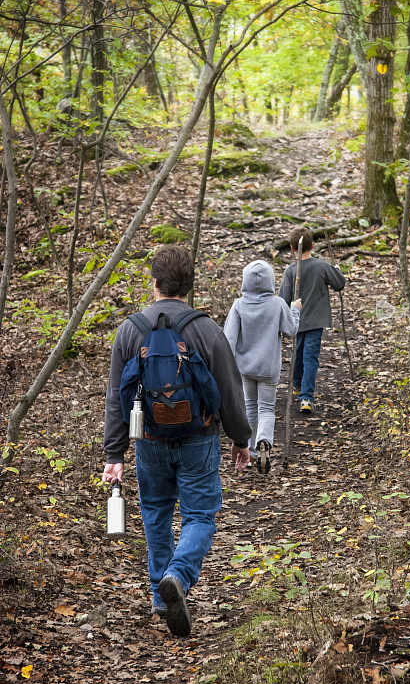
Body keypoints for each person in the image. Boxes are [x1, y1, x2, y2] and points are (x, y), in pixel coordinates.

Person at [102, 245, 251, 637]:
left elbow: (116, 397)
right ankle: (179, 578)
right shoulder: (206, 329)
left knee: (155, 512)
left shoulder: (130, 330)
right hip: (199, 438)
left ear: (153, 283)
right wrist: (241, 438)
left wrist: (114, 454)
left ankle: (158, 595)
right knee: (200, 515)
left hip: (148, 438)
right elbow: (229, 390)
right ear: (189, 286)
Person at [224, 260, 301, 474]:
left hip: (245, 368)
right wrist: (295, 309)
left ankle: (250, 449)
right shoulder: (277, 304)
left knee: (250, 405)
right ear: (271, 281)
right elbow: (291, 330)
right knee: (266, 408)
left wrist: (227, 366)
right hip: (269, 368)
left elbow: (228, 338)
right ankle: (264, 440)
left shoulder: (239, 305)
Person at [279, 226, 346, 413]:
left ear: (292, 248)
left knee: (301, 354)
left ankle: (302, 391)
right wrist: (337, 271)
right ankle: (304, 393)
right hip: (312, 321)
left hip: (299, 320)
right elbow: (340, 284)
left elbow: (282, 298)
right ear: (313, 245)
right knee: (308, 356)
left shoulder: (291, 271)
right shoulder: (321, 265)